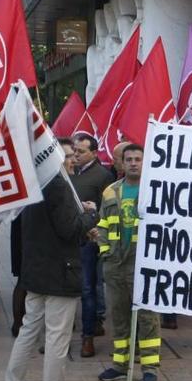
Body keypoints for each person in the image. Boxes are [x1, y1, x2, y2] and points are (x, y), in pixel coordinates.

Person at [0, 177, 98, 381]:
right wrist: (91, 215)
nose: (71, 160)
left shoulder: (32, 183)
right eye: (68, 155)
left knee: (28, 332)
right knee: (57, 338)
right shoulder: (58, 185)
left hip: (36, 271)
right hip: (60, 273)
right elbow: (69, 229)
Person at [96, 144, 161, 381]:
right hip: (115, 264)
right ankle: (120, 365)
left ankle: (150, 368)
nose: (133, 163)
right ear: (121, 163)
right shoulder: (110, 192)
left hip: (142, 264)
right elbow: (103, 223)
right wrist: (105, 252)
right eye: (129, 159)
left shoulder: (155, 190)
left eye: (138, 159)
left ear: (145, 162)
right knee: (119, 317)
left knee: (147, 317)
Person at [70, 134, 113, 358]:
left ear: (94, 153)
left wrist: (95, 212)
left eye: (81, 151)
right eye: (74, 151)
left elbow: (107, 209)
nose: (76, 155)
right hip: (67, 239)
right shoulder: (67, 173)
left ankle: (87, 337)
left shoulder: (103, 176)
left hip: (89, 240)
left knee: (88, 288)